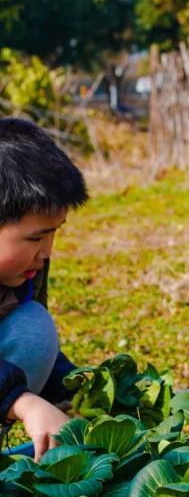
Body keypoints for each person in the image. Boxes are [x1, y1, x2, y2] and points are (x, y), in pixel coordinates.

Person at [0, 117, 88, 460]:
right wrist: (20, 401)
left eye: (55, 232)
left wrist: (75, 387)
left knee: (31, 326)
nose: (48, 250)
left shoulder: (25, 269)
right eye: (36, 237)